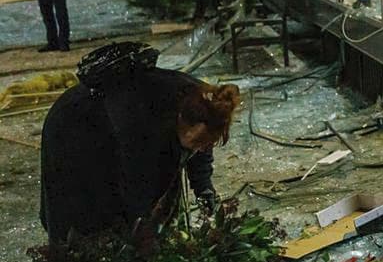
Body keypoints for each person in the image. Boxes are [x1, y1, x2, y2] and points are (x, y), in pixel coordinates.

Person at [39, 42, 240, 241]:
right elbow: (136, 184)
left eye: (208, 143)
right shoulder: (140, 121)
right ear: (180, 120)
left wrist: (203, 185)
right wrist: (140, 228)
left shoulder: (204, 103)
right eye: (199, 141)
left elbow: (199, 146)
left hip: (123, 126)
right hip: (75, 128)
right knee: (88, 219)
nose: (202, 147)